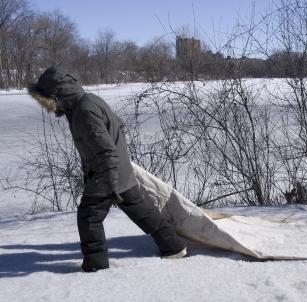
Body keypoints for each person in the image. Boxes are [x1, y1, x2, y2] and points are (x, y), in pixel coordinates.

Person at [27, 67, 187, 272]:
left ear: (58, 93)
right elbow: (117, 127)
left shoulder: (83, 111)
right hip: (118, 170)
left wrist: (109, 182)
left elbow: (105, 149)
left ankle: (96, 265)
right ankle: (173, 246)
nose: (46, 106)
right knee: (143, 212)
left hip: (106, 173)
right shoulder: (87, 102)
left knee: (88, 217)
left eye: (45, 100)